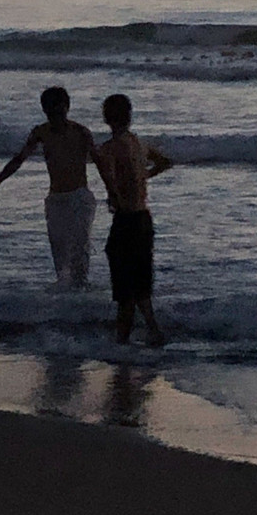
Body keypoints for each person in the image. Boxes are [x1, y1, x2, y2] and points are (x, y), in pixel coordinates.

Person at [0, 86, 101, 289]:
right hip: (56, 200)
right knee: (60, 251)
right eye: (51, 112)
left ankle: (82, 294)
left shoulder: (81, 132)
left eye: (59, 111)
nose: (55, 117)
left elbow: (101, 163)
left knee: (80, 248)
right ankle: (65, 296)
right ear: (44, 111)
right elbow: (19, 159)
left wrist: (115, 192)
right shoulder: (41, 132)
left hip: (80, 197)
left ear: (67, 108)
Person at [96, 94, 172, 346]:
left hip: (126, 219)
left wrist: (115, 194)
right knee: (140, 282)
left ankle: (127, 339)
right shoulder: (139, 143)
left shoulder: (110, 148)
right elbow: (165, 163)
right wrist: (142, 178)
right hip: (143, 217)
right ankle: (148, 332)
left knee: (124, 286)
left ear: (107, 117)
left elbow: (110, 181)